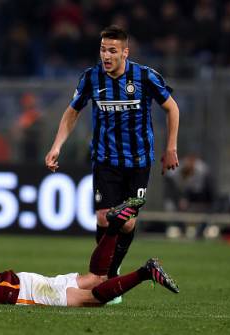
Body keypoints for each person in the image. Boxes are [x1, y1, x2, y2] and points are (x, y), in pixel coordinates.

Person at [44, 25, 180, 298]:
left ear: (125, 52)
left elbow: (171, 107)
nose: (106, 55)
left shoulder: (144, 76)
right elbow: (72, 113)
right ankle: (107, 278)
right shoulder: (91, 78)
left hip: (139, 161)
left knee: (127, 223)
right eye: (103, 49)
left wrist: (171, 147)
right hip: (105, 160)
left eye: (112, 51)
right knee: (104, 218)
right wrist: (57, 145)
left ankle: (111, 274)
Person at [0, 198, 179, 306]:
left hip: (23, 293)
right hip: (23, 283)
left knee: (93, 297)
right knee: (96, 276)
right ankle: (114, 228)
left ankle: (145, 271)